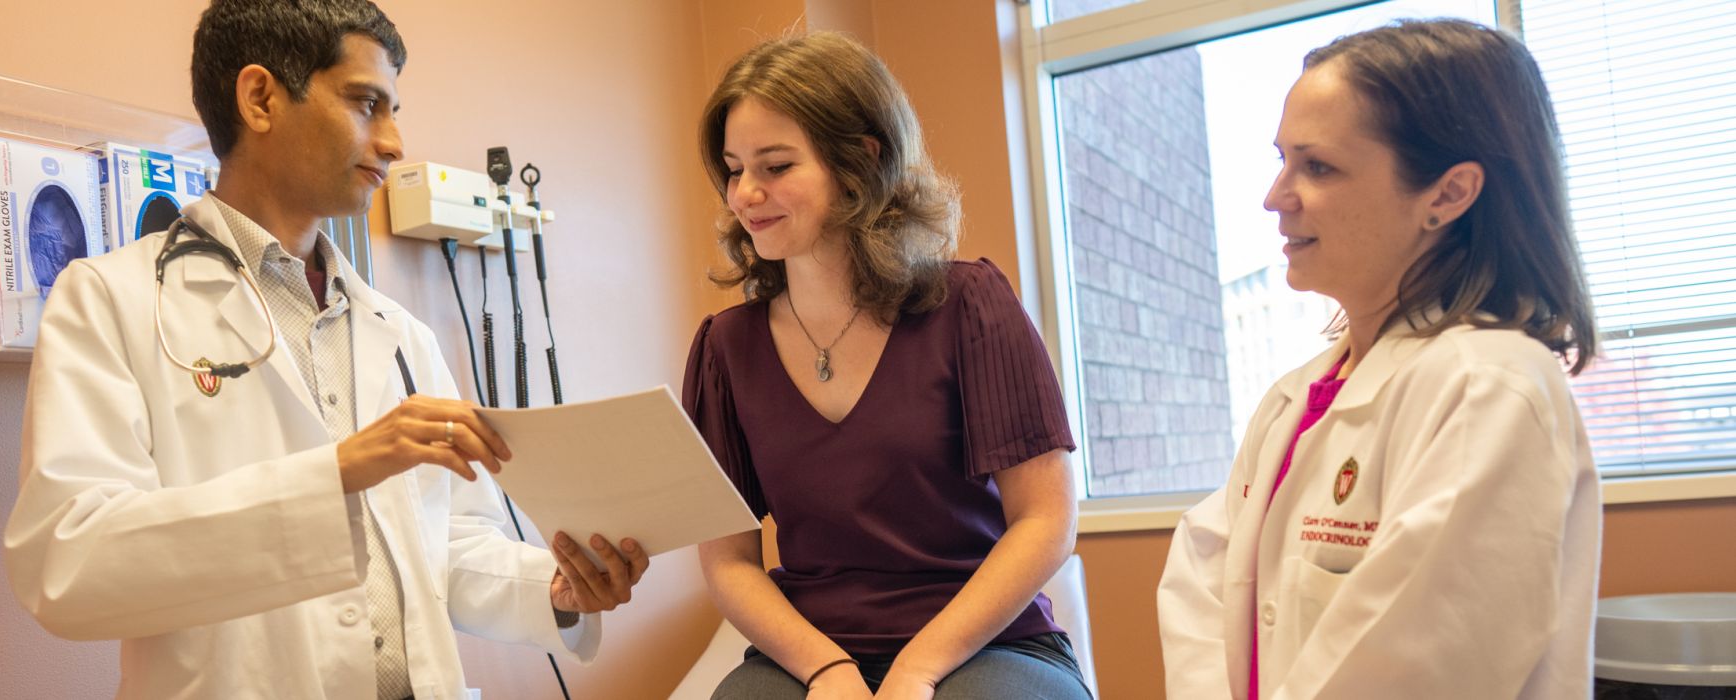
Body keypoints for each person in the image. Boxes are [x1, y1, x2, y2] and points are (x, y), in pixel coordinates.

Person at [2, 2, 648, 698]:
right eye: (367, 104)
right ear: (260, 98)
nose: (396, 141)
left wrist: (554, 588)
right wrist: (337, 473)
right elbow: (69, 567)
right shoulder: (109, 300)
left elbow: (449, 545)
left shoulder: (398, 334)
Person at [1156, 19, 1601, 699]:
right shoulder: (1296, 398)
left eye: (1319, 167)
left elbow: (1414, 668)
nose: (1276, 197)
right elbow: (1204, 578)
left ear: (1448, 194)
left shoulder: (1490, 388)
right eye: (1282, 161)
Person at [683, 32, 1093, 700]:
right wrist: (827, 668)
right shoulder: (726, 351)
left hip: (984, 644)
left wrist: (919, 667)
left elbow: (1046, 521)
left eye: (776, 166)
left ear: (860, 162)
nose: (745, 194)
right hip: (809, 653)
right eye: (734, 169)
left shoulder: (970, 306)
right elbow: (728, 562)